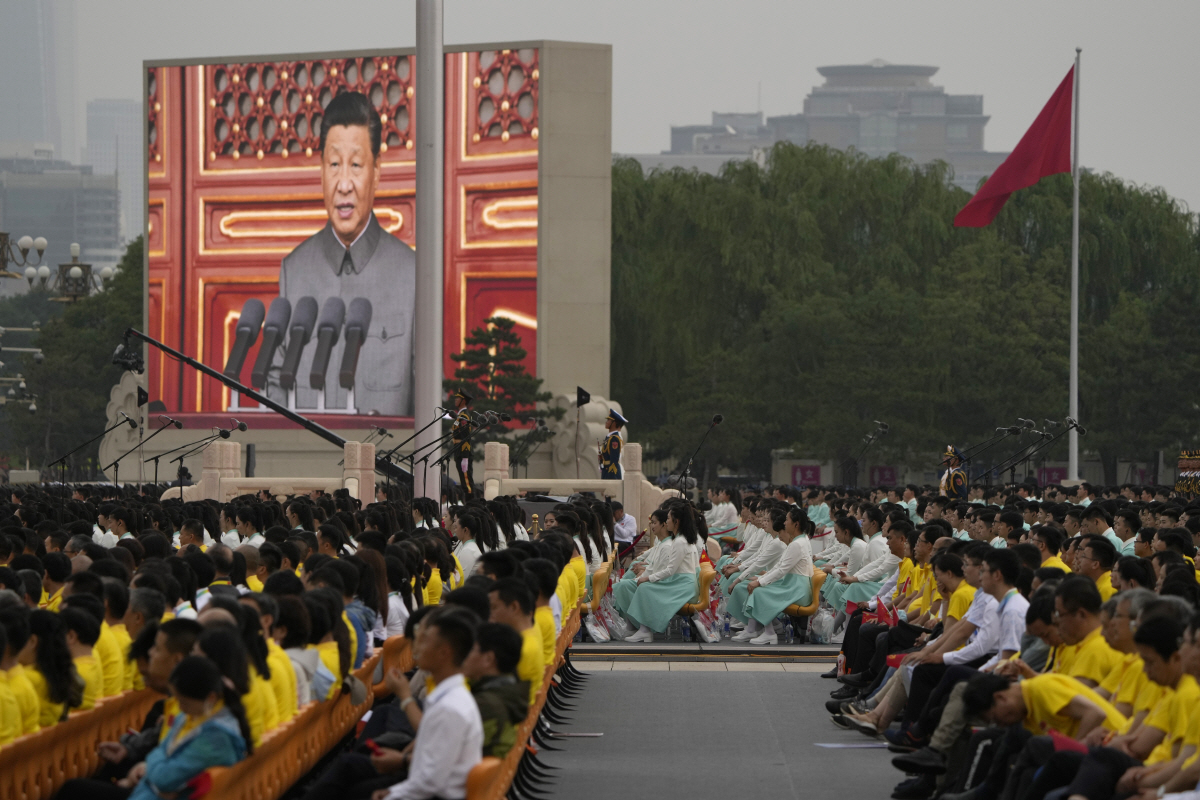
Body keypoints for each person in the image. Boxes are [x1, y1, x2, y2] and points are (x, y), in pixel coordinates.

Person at [272, 90, 416, 416]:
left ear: (377, 172)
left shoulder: (412, 275)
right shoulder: (294, 271)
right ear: (321, 172)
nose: (344, 183)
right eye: (335, 164)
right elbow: (275, 389)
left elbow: (430, 404)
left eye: (356, 165)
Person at [374, 607, 483, 800]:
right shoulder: (450, 697)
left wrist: (391, 795)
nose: (416, 647)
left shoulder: (450, 707)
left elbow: (430, 782)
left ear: (444, 652)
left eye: (424, 641)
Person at [623, 505, 700, 642]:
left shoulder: (679, 542)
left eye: (669, 518)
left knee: (645, 588)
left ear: (676, 521)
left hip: (683, 586)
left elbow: (670, 570)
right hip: (682, 583)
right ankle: (642, 629)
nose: (667, 521)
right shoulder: (684, 539)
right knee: (645, 587)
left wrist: (647, 578)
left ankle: (644, 630)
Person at [449, 389, 476, 499]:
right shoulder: (459, 416)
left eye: (458, 398)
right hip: (458, 450)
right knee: (463, 479)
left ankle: (471, 503)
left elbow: (466, 437)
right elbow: (454, 429)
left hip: (463, 452)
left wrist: (465, 457)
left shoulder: (464, 416)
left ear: (463, 401)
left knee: (466, 482)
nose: (455, 399)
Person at [598, 410, 626, 480]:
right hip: (606, 471)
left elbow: (614, 459)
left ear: (614, 423)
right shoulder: (609, 438)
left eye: (609, 420)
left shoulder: (614, 439)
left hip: (611, 473)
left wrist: (612, 476)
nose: (606, 422)